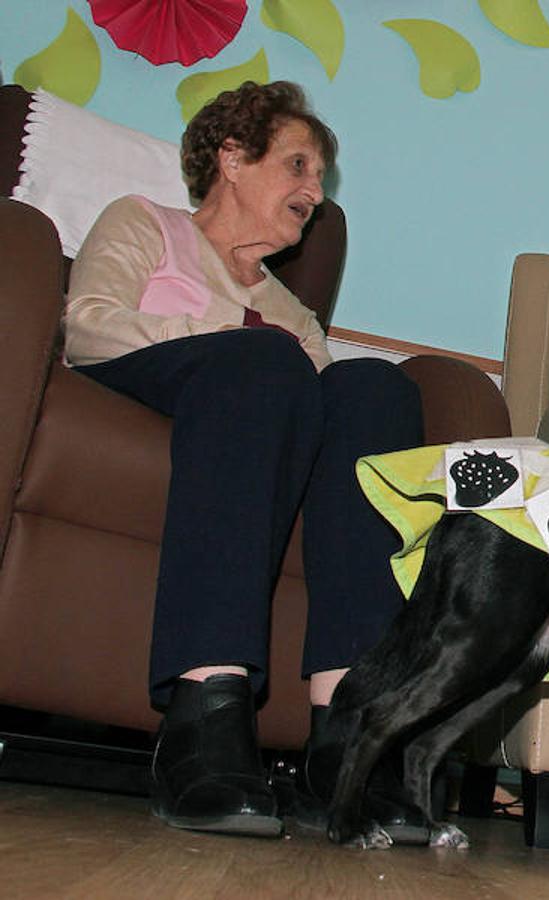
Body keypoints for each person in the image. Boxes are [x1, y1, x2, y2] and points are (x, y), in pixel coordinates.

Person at [65, 81, 427, 840]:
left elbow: (324, 418)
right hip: (144, 389)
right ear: (232, 158)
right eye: (297, 166)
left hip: (260, 399)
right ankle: (203, 716)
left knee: (373, 388)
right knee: (263, 362)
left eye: (321, 180)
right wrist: (228, 329)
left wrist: (272, 344)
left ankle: (344, 742)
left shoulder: (294, 312)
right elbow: (90, 327)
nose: (314, 193)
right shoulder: (146, 223)